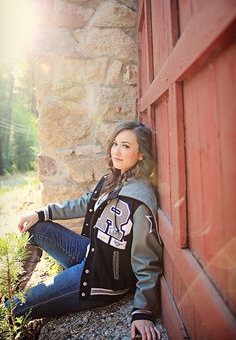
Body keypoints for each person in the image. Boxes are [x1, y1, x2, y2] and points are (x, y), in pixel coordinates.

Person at [15, 121, 162, 340]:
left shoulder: (139, 199)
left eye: (126, 146)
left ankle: (10, 307)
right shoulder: (114, 178)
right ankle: (14, 286)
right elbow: (84, 203)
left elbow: (147, 261)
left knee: (19, 306)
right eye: (115, 144)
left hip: (100, 279)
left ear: (141, 154)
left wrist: (143, 311)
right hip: (89, 252)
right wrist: (42, 212)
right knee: (36, 227)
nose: (116, 151)